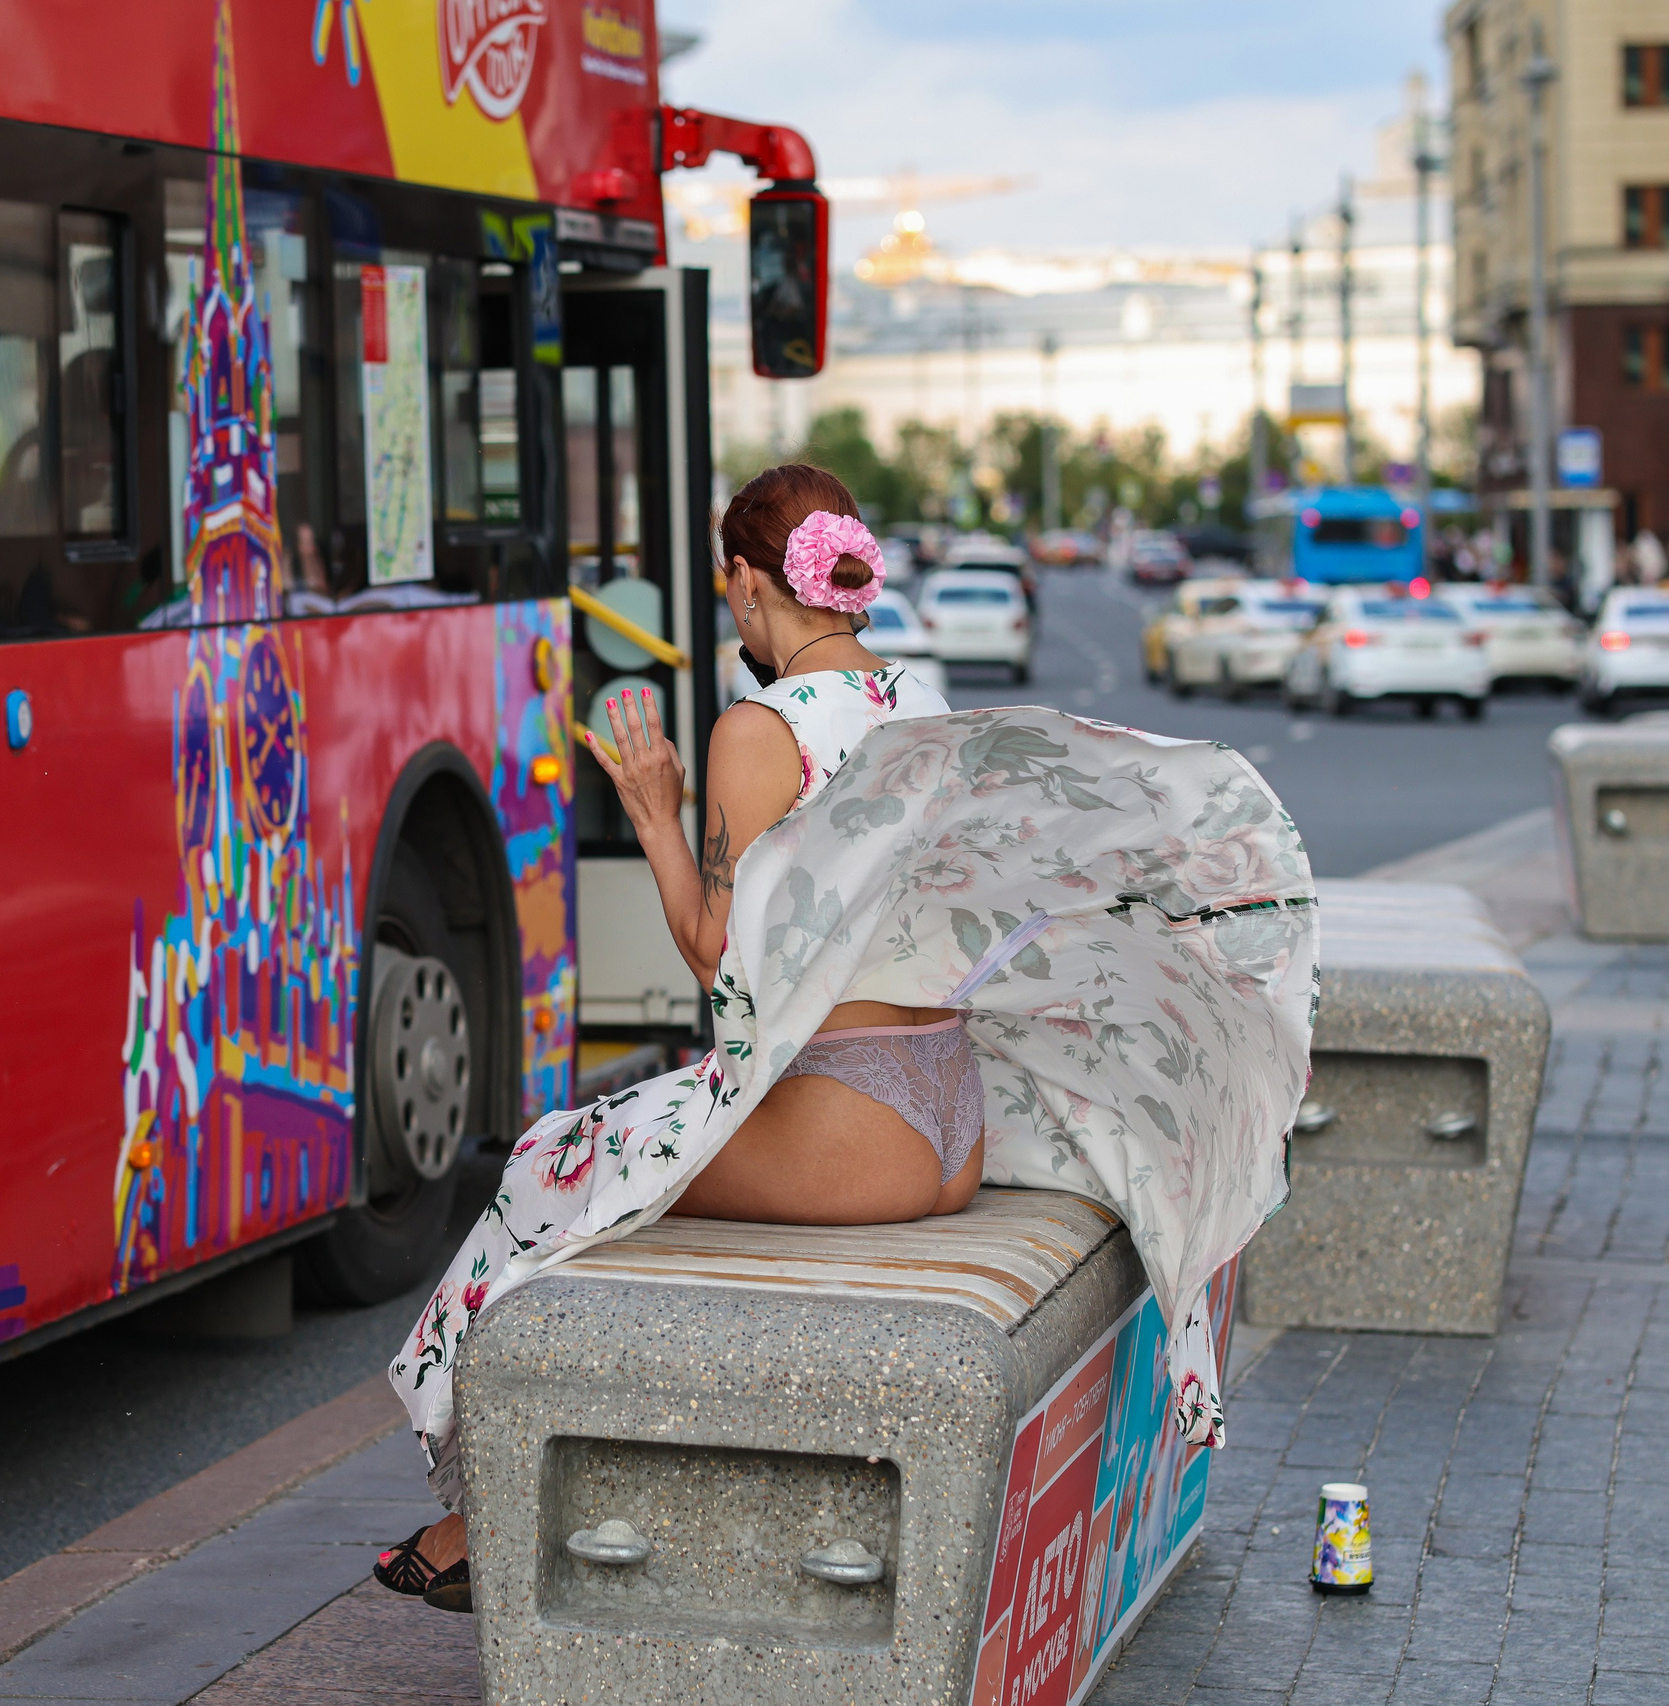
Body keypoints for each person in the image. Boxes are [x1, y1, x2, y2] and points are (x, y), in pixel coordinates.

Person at [373, 465, 1317, 1615]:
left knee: (546, 1169)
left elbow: (722, 968)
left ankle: (481, 1516)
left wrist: (656, 816)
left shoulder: (758, 728)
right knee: (615, 1172)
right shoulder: (917, 699)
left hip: (852, 1127)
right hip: (950, 1120)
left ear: (744, 579)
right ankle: (510, 1509)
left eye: (728, 585)